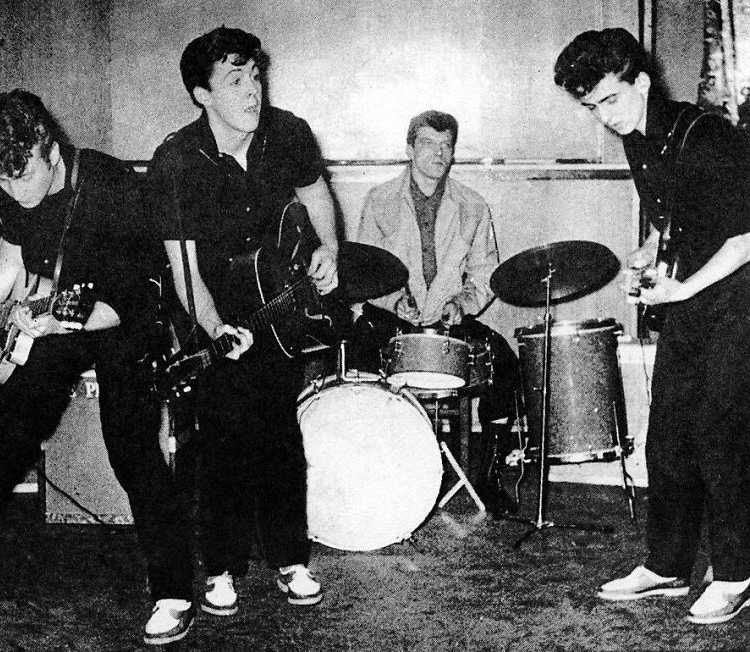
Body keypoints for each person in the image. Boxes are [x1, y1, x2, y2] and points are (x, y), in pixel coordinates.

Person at [0, 90, 195, 646]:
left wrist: (59, 322)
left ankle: (173, 590)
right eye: (2, 184)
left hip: (122, 311)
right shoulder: (6, 176)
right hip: (59, 305)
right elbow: (15, 237)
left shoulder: (114, 188)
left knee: (131, 444)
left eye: (23, 177)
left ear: (50, 150)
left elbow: (130, 295)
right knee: (14, 424)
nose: (14, 194)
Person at [555, 27, 750, 625]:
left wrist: (683, 286)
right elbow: (678, 215)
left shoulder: (708, 136)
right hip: (691, 295)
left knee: (720, 433)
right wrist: (649, 249)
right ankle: (667, 565)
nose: (604, 117)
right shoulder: (638, 136)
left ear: (640, 81)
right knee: (666, 435)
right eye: (590, 107)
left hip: (738, 297)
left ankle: (739, 573)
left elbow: (744, 236)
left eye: (609, 100)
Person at [145, 26, 338, 618]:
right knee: (223, 442)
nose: (252, 91)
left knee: (281, 432)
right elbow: (183, 268)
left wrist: (329, 247)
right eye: (235, 80)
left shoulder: (288, 133)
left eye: (255, 76)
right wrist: (215, 330)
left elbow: (315, 191)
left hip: (278, 298)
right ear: (201, 93)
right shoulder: (176, 160)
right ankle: (223, 568)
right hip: (214, 308)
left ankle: (289, 559)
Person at [353, 109, 521, 515]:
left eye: (447, 145)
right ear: (410, 148)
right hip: (393, 318)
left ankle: (489, 475)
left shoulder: (472, 205)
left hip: (450, 322)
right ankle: (373, 473)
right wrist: (394, 301)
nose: (438, 153)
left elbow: (485, 273)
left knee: (506, 364)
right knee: (355, 357)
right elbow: (363, 269)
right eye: (428, 143)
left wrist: (460, 304)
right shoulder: (379, 200)